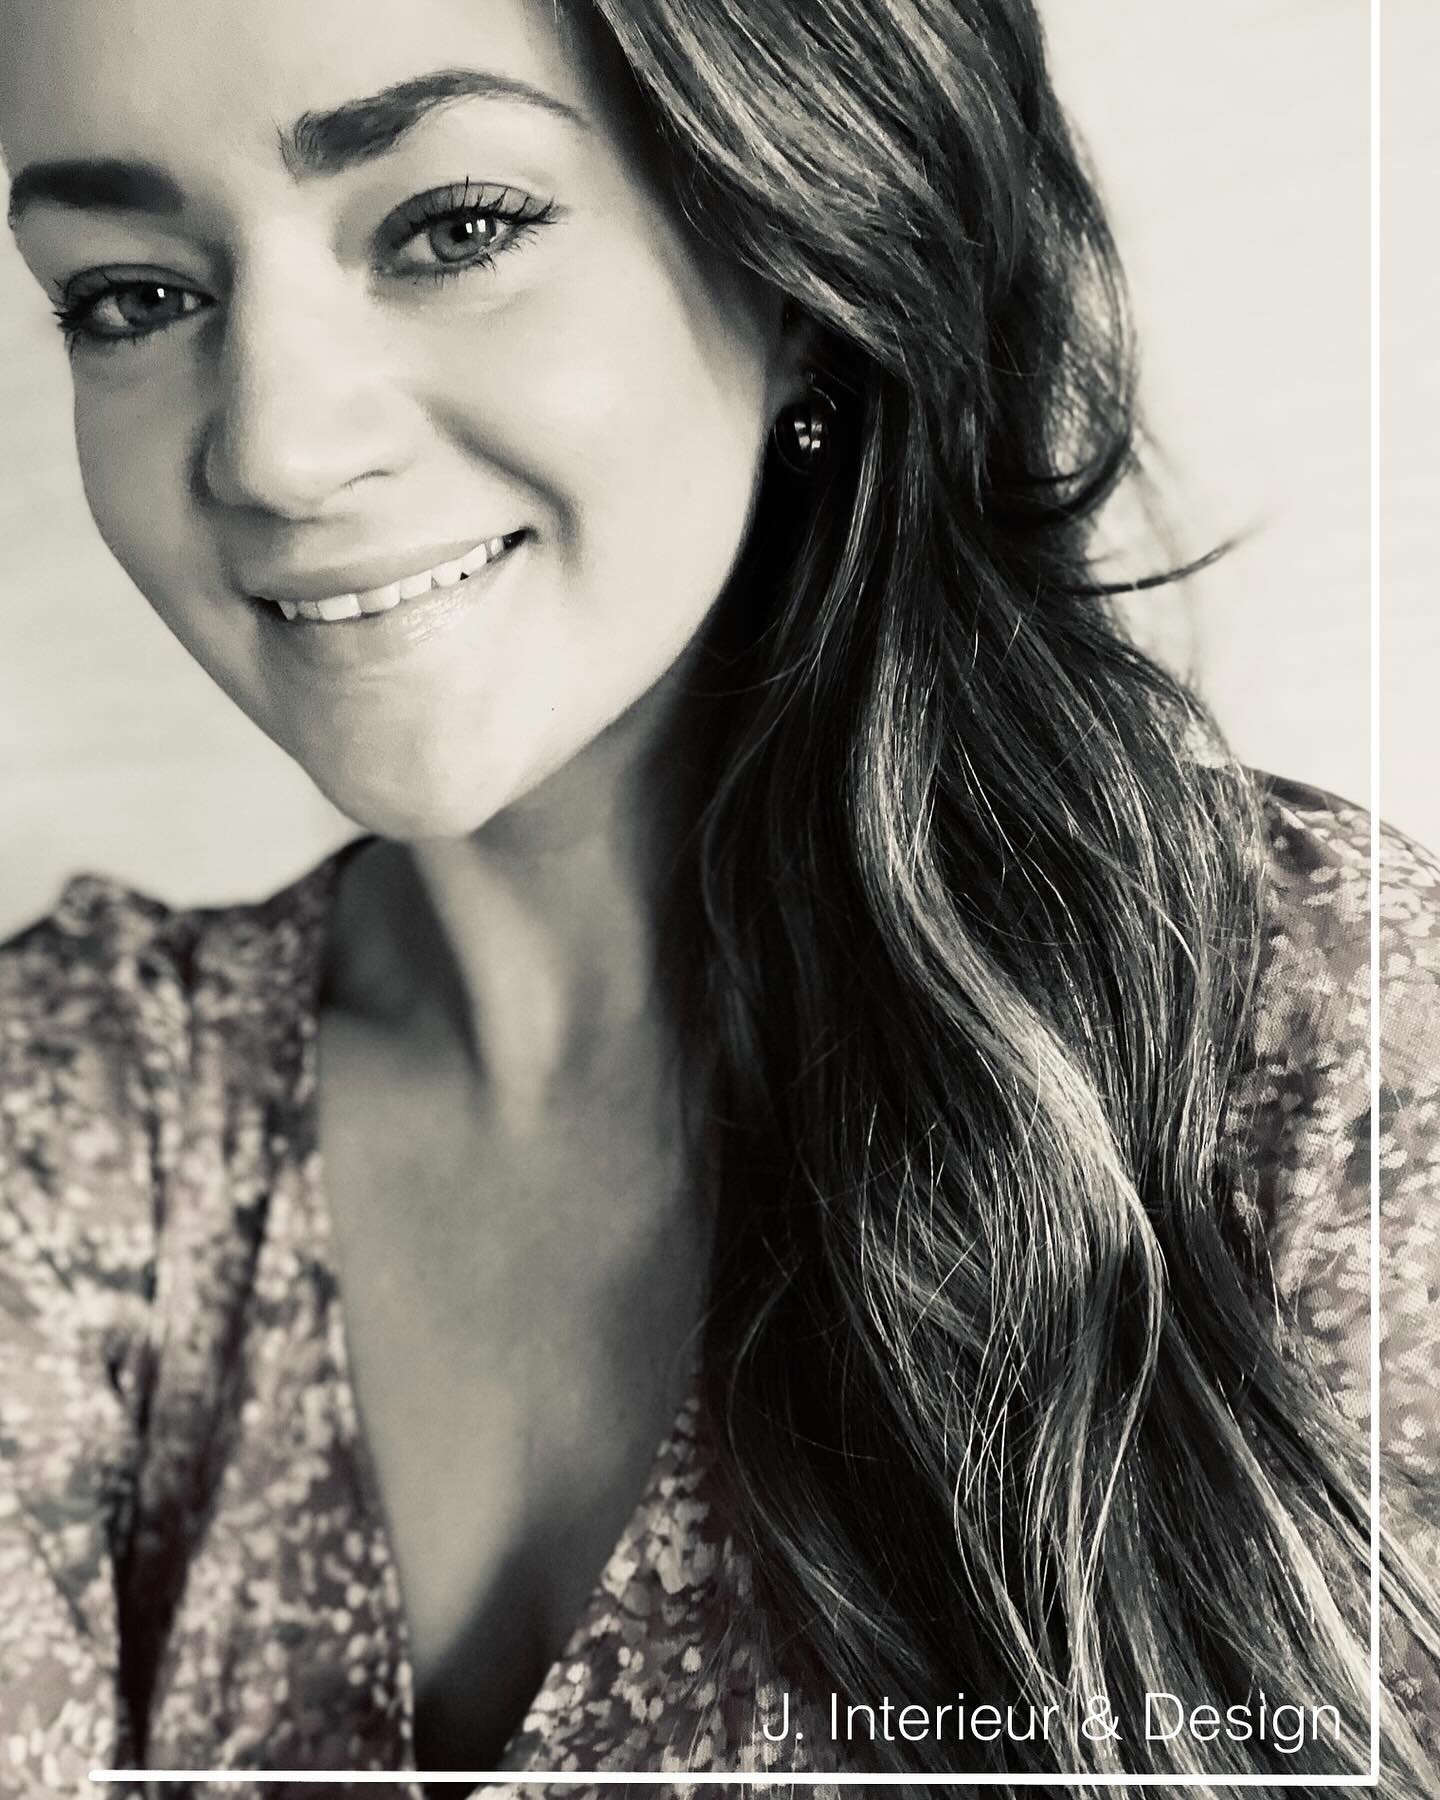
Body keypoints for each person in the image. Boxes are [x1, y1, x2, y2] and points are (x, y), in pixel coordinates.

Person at [0, 0, 1435, 1793]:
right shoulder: (76, 1115)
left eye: (455, 228)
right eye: (129, 294)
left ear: (809, 255)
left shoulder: (1311, 1038)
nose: (273, 451)